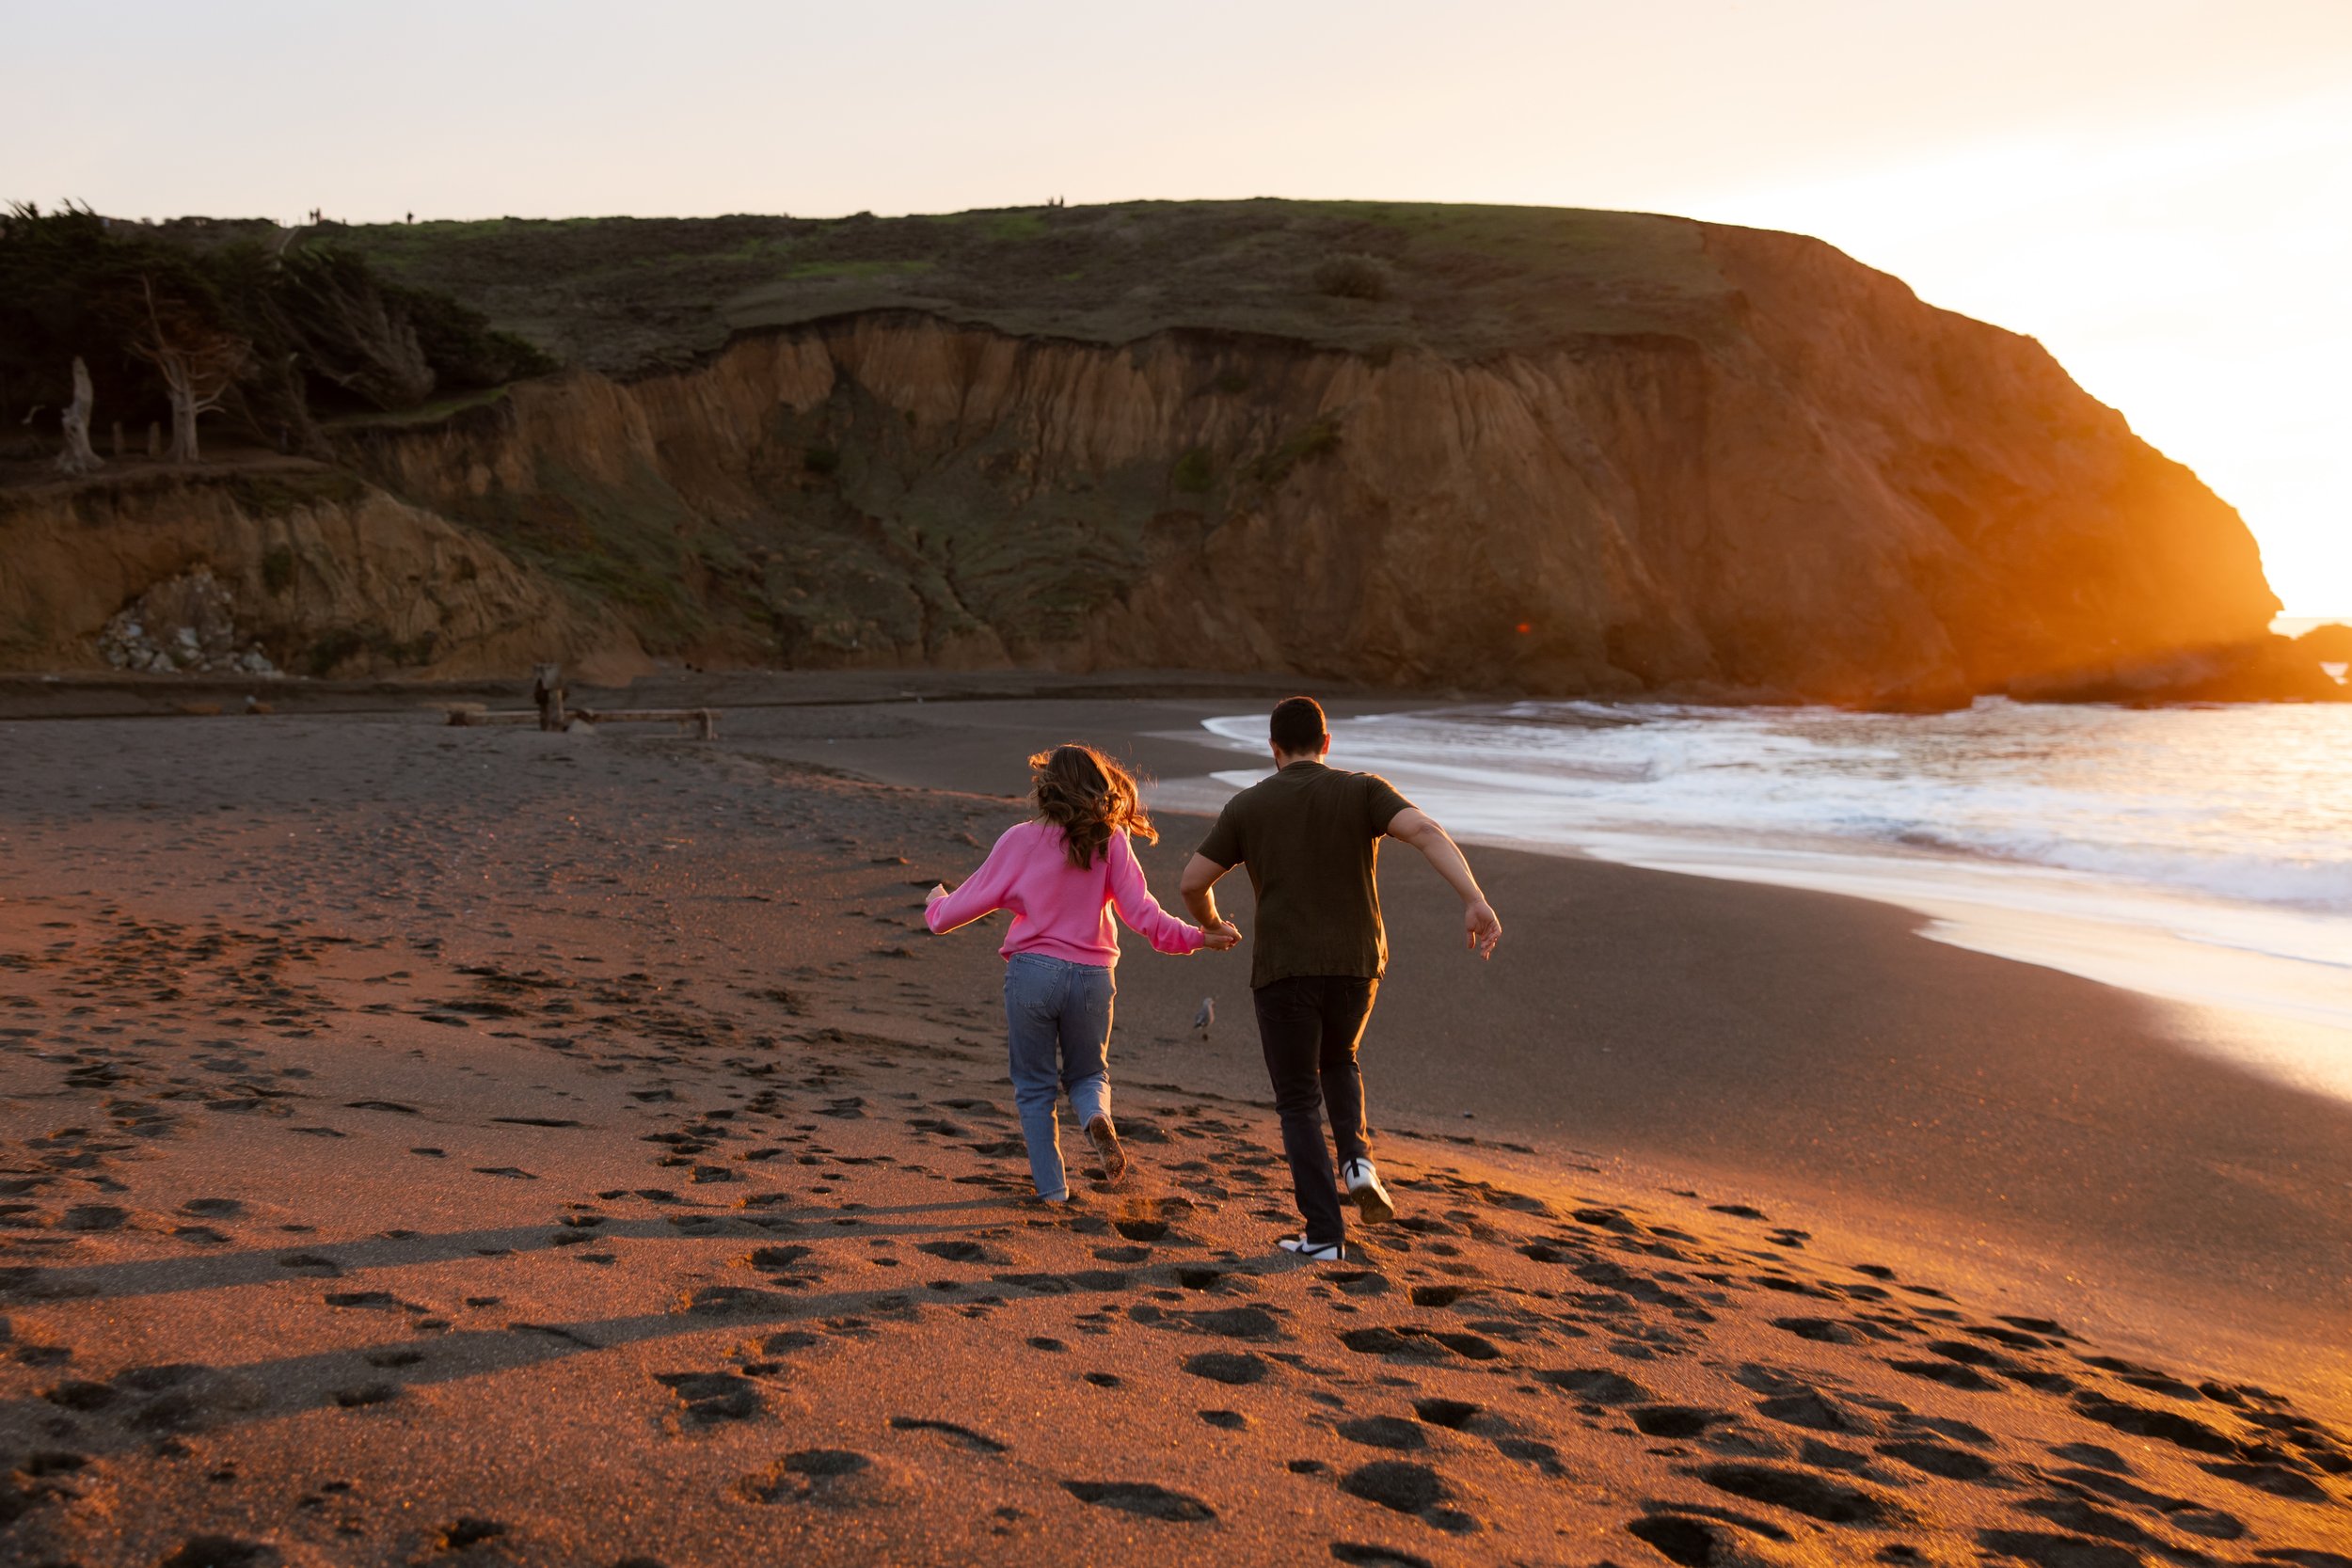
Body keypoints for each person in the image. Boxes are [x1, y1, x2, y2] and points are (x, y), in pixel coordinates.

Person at [1180, 696, 1502, 1260]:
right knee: (1340, 1059)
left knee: (1298, 1101)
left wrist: (1211, 924)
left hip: (1284, 968)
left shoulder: (1247, 806)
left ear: (1273, 748)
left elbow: (1191, 882)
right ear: (1326, 744)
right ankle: (1357, 1160)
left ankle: (1325, 1235)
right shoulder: (1362, 790)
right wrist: (1474, 898)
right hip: (1357, 964)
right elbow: (1425, 830)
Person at [928, 744, 1239, 1203]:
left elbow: (957, 910)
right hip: (1093, 977)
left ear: (1047, 788)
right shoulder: (1111, 839)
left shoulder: (1019, 839)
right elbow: (1144, 915)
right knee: (1089, 1073)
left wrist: (936, 903)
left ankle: (1053, 1192)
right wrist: (1198, 936)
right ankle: (1096, 1117)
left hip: (1033, 973)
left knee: (1034, 1088)